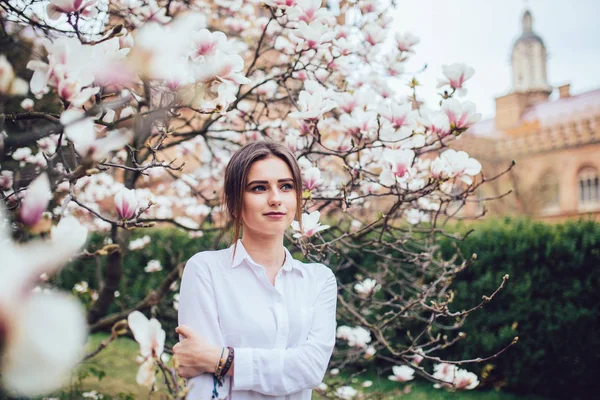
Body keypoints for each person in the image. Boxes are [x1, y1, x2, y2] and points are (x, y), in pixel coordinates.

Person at [173, 141, 338, 399]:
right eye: (259, 188)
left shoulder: (318, 280)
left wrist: (223, 360)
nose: (275, 199)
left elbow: (311, 369)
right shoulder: (206, 270)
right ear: (234, 203)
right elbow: (204, 383)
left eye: (286, 186)